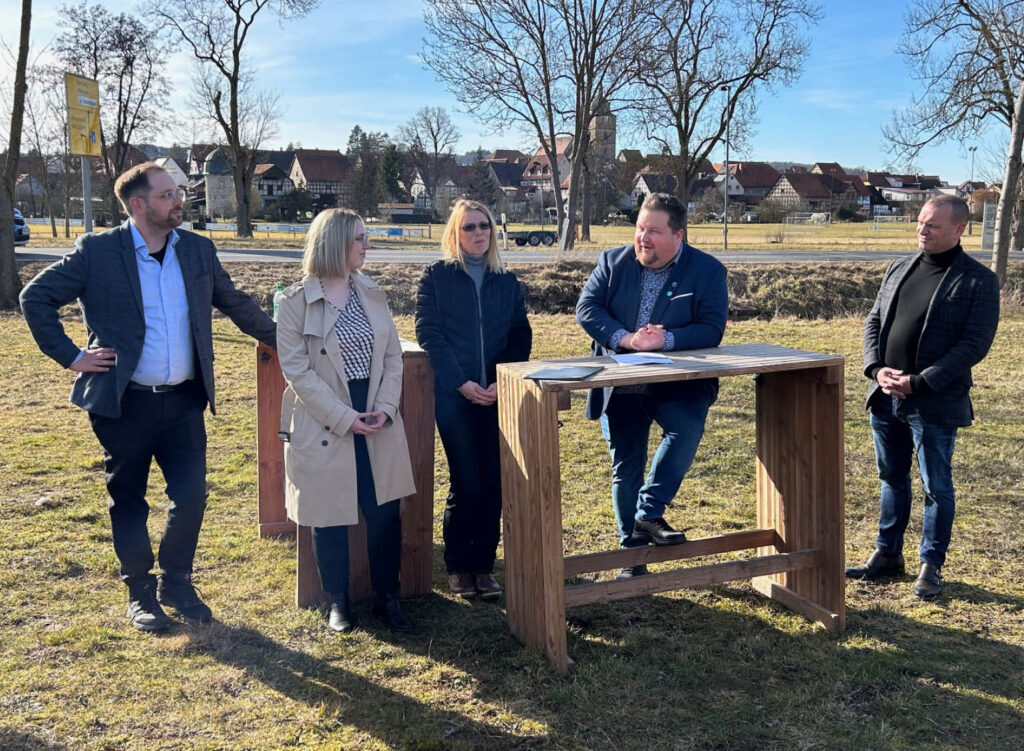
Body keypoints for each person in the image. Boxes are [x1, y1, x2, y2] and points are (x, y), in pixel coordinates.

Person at [20, 162, 276, 631]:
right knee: (129, 499)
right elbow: (35, 298)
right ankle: (139, 590)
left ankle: (176, 581)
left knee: (192, 495)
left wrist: (288, 341)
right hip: (124, 403)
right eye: (165, 195)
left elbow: (234, 303)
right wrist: (72, 356)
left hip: (183, 401)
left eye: (177, 192)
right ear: (137, 205)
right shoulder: (98, 251)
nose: (178, 200)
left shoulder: (197, 250)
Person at [846, 195, 999, 598]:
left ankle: (931, 565)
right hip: (884, 396)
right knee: (891, 478)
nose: (922, 229)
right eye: (920, 221)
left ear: (959, 229)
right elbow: (874, 320)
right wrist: (876, 369)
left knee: (937, 487)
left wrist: (920, 382)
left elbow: (974, 345)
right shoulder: (899, 266)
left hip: (933, 402)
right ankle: (887, 554)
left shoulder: (978, 281)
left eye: (932, 225)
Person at [276, 209, 416, 633]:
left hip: (376, 414)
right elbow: (296, 370)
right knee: (329, 514)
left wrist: (386, 408)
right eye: (359, 238)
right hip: (324, 420)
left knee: (384, 512)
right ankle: (339, 601)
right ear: (335, 243)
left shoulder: (372, 292)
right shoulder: (295, 301)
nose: (366, 245)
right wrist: (344, 418)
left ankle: (387, 598)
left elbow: (393, 356)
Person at [576, 192, 728, 580]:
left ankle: (648, 513)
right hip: (622, 381)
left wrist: (667, 340)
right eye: (640, 228)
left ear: (679, 235)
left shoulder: (708, 271)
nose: (643, 238)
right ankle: (633, 558)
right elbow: (587, 309)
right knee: (626, 466)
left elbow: (712, 327)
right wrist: (626, 338)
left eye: (654, 231)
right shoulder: (612, 262)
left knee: (686, 428)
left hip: (677, 383)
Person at [415, 199, 532, 600]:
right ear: (455, 232)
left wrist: (503, 380)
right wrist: (462, 382)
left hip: (499, 397)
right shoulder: (437, 277)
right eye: (469, 227)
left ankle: (483, 566)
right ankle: (457, 566)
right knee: (466, 481)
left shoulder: (507, 281)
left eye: (484, 226)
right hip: (456, 397)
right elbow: (429, 333)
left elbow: (520, 334)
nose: (478, 233)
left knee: (494, 481)